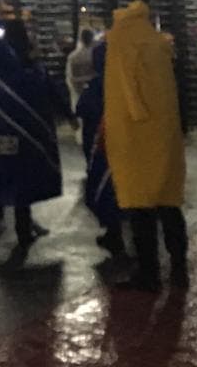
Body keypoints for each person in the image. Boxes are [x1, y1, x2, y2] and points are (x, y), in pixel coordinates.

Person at [105, 0, 188, 292]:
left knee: (140, 208)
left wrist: (132, 117)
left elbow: (127, 88)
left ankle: (149, 274)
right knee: (169, 204)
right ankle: (180, 270)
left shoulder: (121, 40)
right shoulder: (156, 42)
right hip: (164, 132)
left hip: (134, 135)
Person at [0, 32, 62, 251]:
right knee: (20, 185)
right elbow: (43, 92)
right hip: (16, 139)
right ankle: (23, 233)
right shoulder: (21, 78)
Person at [75, 39, 125, 257]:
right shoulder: (126, 84)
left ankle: (114, 235)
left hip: (103, 146)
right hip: (124, 147)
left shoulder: (96, 86)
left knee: (105, 191)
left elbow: (82, 109)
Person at [65, 29, 97, 140]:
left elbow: (70, 77)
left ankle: (82, 137)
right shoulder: (95, 55)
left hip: (78, 91)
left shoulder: (73, 57)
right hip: (94, 92)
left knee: (81, 117)